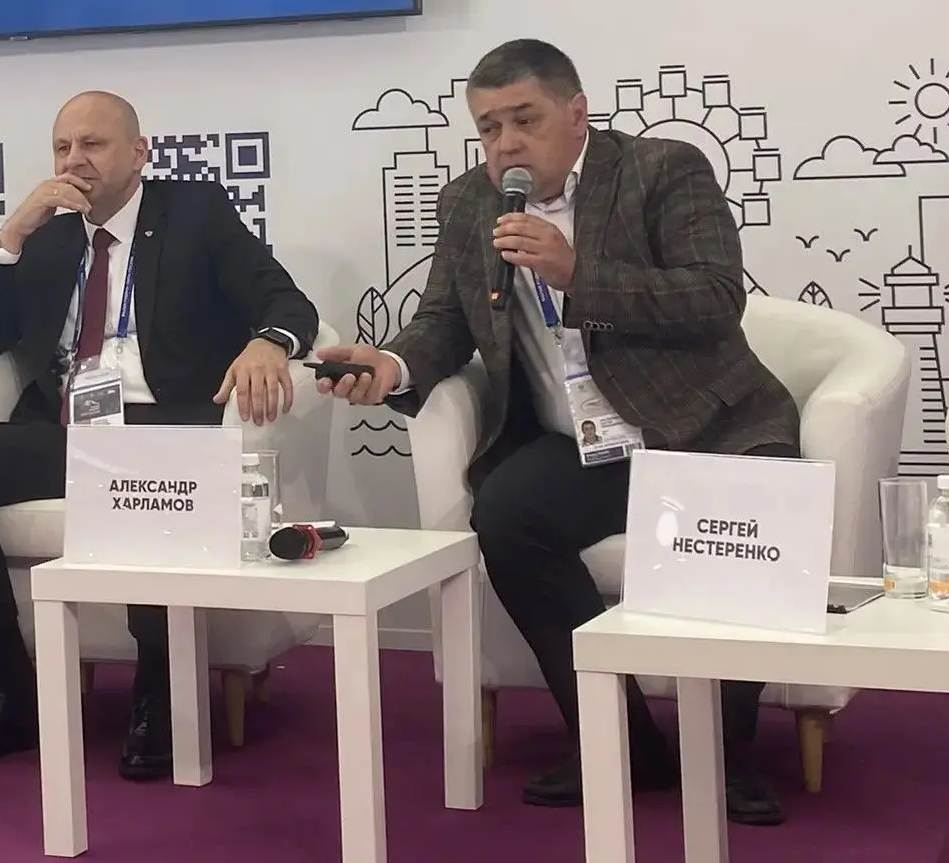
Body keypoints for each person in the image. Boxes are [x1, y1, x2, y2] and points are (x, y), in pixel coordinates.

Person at [321, 40, 797, 827]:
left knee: (742, 512)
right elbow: (444, 321)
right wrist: (392, 365)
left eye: (525, 120)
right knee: (507, 515)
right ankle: (620, 740)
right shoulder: (470, 203)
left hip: (708, 424)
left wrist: (578, 276)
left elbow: (715, 297)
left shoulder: (661, 169)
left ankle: (725, 754)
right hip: (584, 441)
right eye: (488, 128)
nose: (506, 144)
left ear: (576, 113)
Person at [0, 91, 318, 778]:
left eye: (92, 145)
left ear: (139, 152)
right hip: (71, 430)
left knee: (144, 480)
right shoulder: (50, 237)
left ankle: (158, 692)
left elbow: (287, 302)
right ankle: (14, 686)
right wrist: (12, 235)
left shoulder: (194, 212)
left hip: (165, 428)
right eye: (62, 147)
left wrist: (269, 341)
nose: (75, 160)